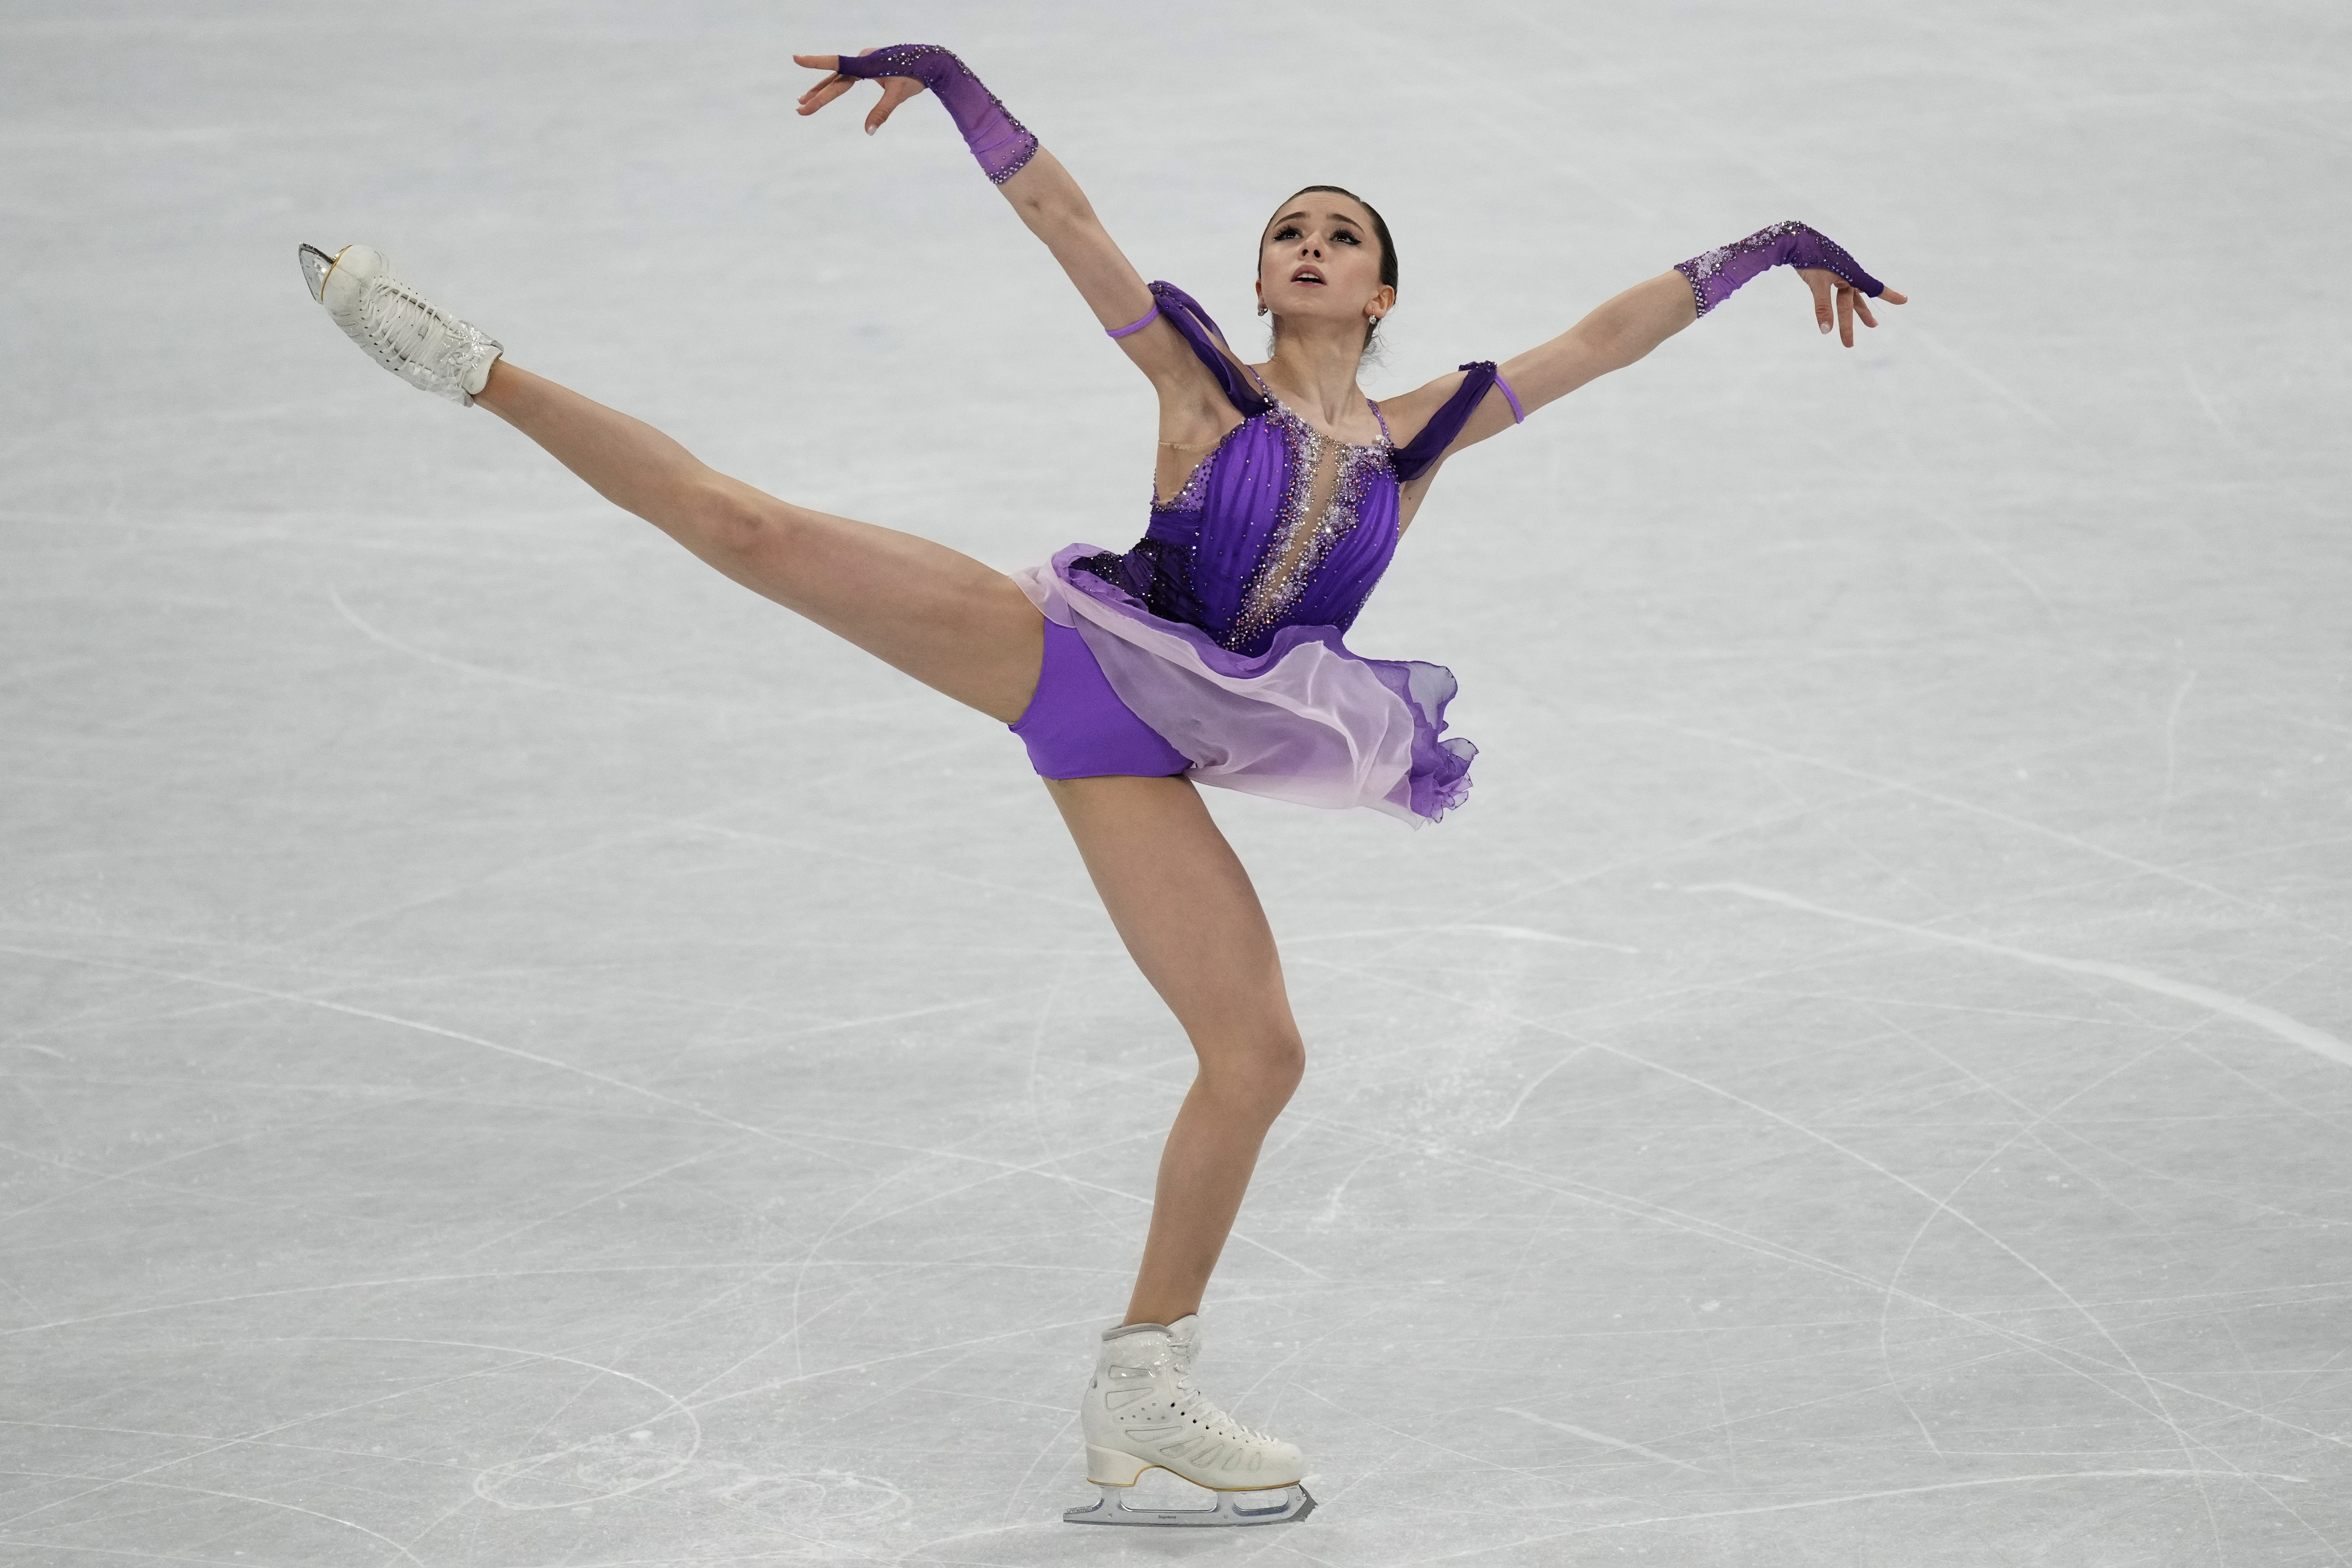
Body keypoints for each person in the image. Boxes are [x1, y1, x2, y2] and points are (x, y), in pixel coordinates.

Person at [293, 40, 1903, 1529]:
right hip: (1069, 660)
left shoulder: (1421, 437)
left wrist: (1763, 248)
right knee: (755, 533)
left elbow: (1597, 342)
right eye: (1289, 230)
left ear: (1383, 287)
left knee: (1257, 1051)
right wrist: (949, 82)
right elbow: (1068, 224)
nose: (1310, 247)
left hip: (1156, 751)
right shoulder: (1199, 383)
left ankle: (1141, 1391)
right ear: (1266, 276)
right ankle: (469, 365)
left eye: (1340, 234)